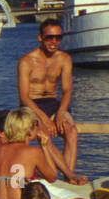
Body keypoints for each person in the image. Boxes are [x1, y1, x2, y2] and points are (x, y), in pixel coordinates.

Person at [18, 18, 79, 178]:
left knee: (71, 131)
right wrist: (44, 118)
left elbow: (67, 91)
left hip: (54, 103)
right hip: (32, 105)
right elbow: (24, 96)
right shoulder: (26, 61)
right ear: (40, 38)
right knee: (44, 134)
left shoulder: (64, 59)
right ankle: (59, 176)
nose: (54, 41)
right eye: (49, 37)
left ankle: (68, 178)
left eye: (58, 37)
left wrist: (60, 113)